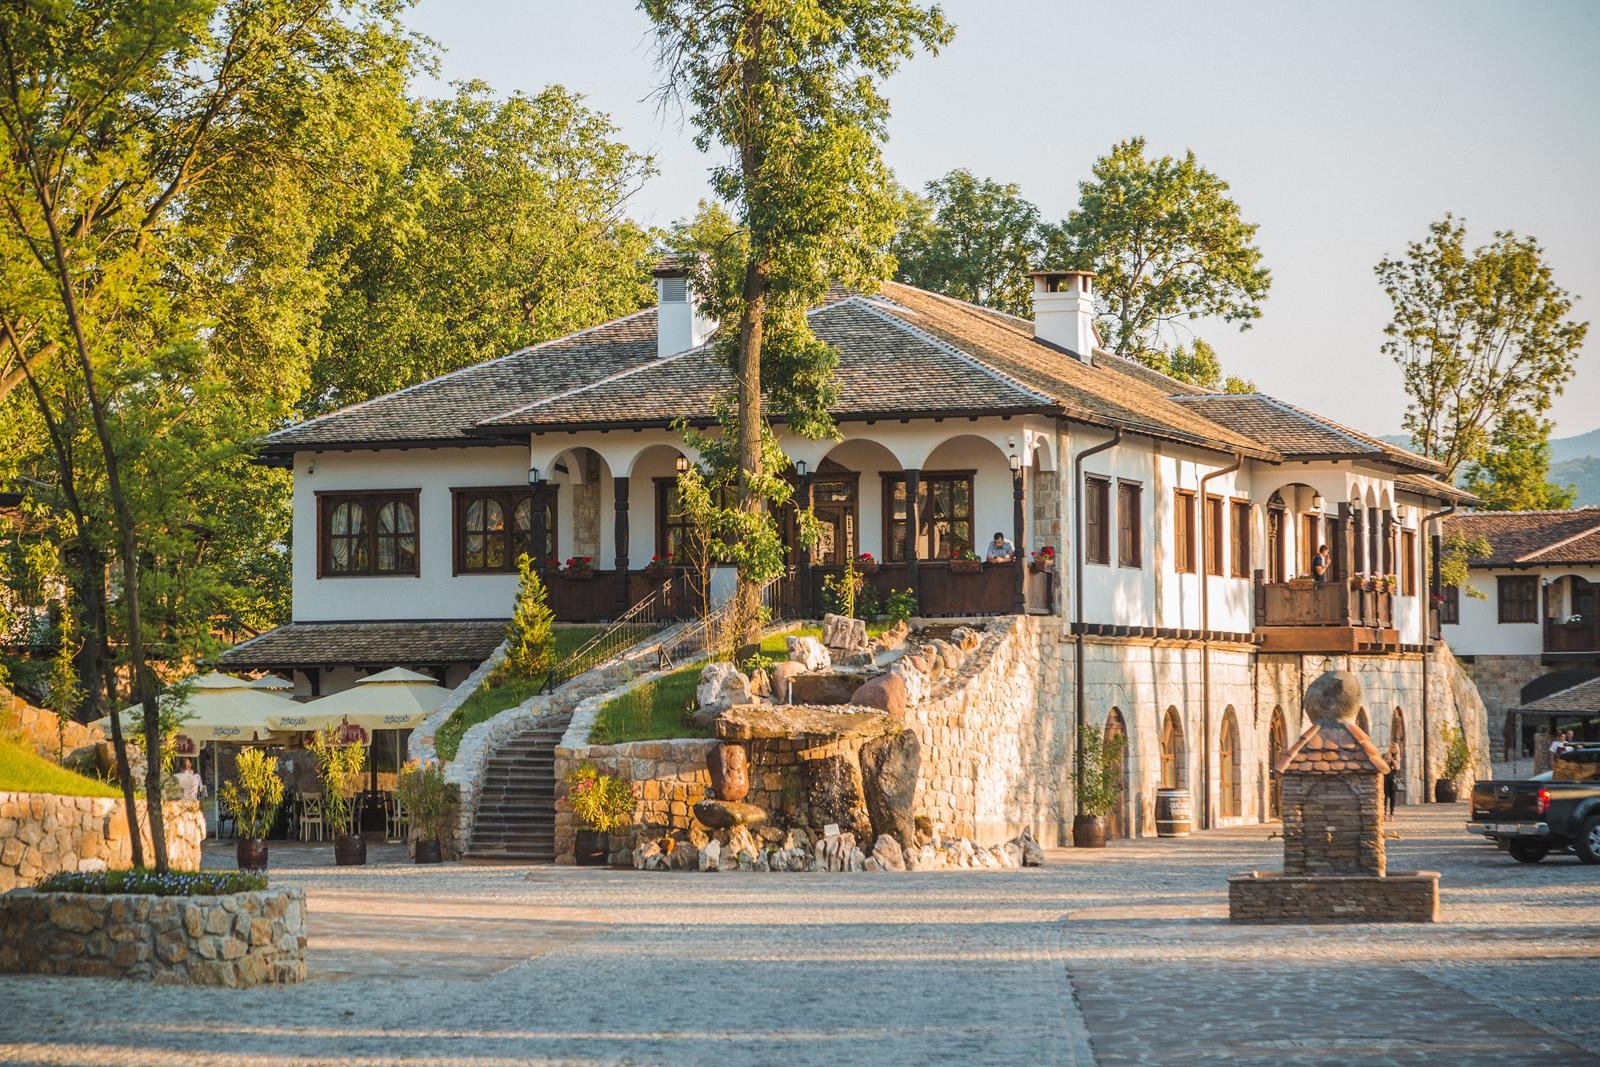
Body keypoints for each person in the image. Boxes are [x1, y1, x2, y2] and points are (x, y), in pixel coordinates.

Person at [1383, 744, 1400, 816]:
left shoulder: (1397, 757)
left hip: (1392, 779)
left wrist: (1393, 760)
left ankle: (1391, 814)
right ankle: (1384, 814)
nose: (1394, 749)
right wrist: (1387, 760)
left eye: (1395, 748)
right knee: (1385, 796)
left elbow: (1397, 768)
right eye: (1392, 747)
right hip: (1386, 777)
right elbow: (1383, 764)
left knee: (1393, 797)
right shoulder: (1386, 755)